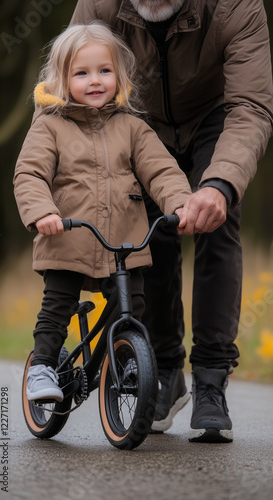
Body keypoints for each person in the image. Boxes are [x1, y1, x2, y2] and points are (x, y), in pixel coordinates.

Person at [70, 0, 273, 442]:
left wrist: (220, 184)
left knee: (217, 221)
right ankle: (163, 369)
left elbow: (251, 107)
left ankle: (211, 379)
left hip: (217, 116)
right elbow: (63, 90)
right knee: (147, 230)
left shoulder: (236, 7)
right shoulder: (99, 5)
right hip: (136, 119)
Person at [13, 22, 192, 404]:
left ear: (120, 75)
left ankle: (124, 359)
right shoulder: (50, 127)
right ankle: (43, 366)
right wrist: (43, 211)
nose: (95, 81)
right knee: (56, 306)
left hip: (123, 243)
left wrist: (179, 202)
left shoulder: (132, 127)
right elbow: (29, 173)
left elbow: (161, 169)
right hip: (66, 237)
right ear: (62, 80)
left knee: (134, 306)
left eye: (104, 71)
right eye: (82, 73)